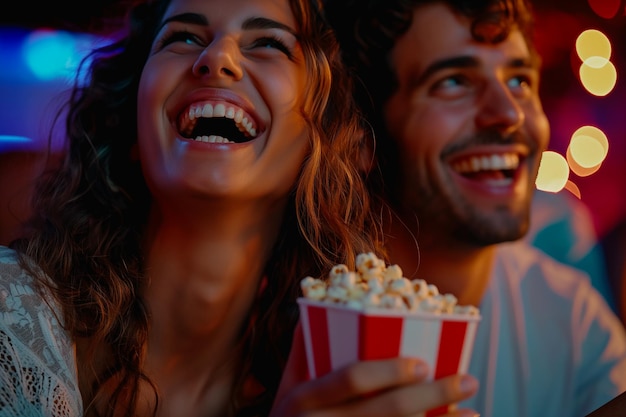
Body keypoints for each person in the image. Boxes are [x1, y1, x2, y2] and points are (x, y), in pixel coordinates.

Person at [1, 0, 477, 415]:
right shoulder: (10, 322)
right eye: (183, 37)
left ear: (327, 139)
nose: (217, 58)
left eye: (268, 43)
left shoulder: (330, 383)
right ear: (130, 126)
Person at [323, 0, 626, 416]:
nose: (507, 114)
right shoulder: (299, 317)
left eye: (519, 81)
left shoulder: (573, 322)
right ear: (361, 135)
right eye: (453, 82)